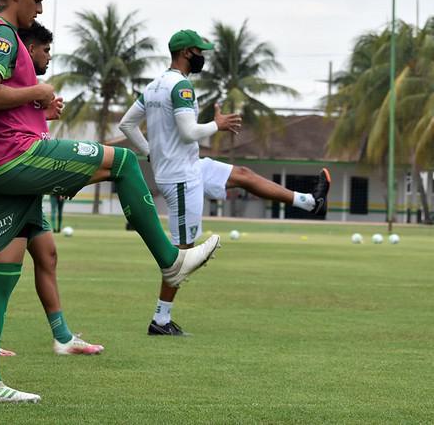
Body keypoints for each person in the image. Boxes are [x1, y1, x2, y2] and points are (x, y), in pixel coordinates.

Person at [0, 0, 220, 404]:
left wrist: (33, 110)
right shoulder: (2, 34)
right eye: (39, 0)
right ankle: (170, 260)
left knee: (3, 275)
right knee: (122, 160)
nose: (40, 10)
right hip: (15, 156)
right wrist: (38, 93)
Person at [118, 29, 330, 336]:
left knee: (242, 175)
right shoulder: (181, 87)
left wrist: (152, 152)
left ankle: (309, 202)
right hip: (180, 178)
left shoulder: (153, 87)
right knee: (182, 253)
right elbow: (189, 132)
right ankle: (161, 320)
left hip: (189, 167)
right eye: (200, 51)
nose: (203, 56)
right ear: (187, 52)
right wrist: (216, 125)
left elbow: (126, 124)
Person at [0, 21, 103, 358]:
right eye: (45, 49)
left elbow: (22, 132)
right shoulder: (5, 84)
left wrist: (44, 115)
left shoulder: (25, 93)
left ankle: (63, 337)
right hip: (14, 189)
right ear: (27, 49)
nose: (49, 56)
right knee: (3, 267)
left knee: (46, 256)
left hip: (28, 193)